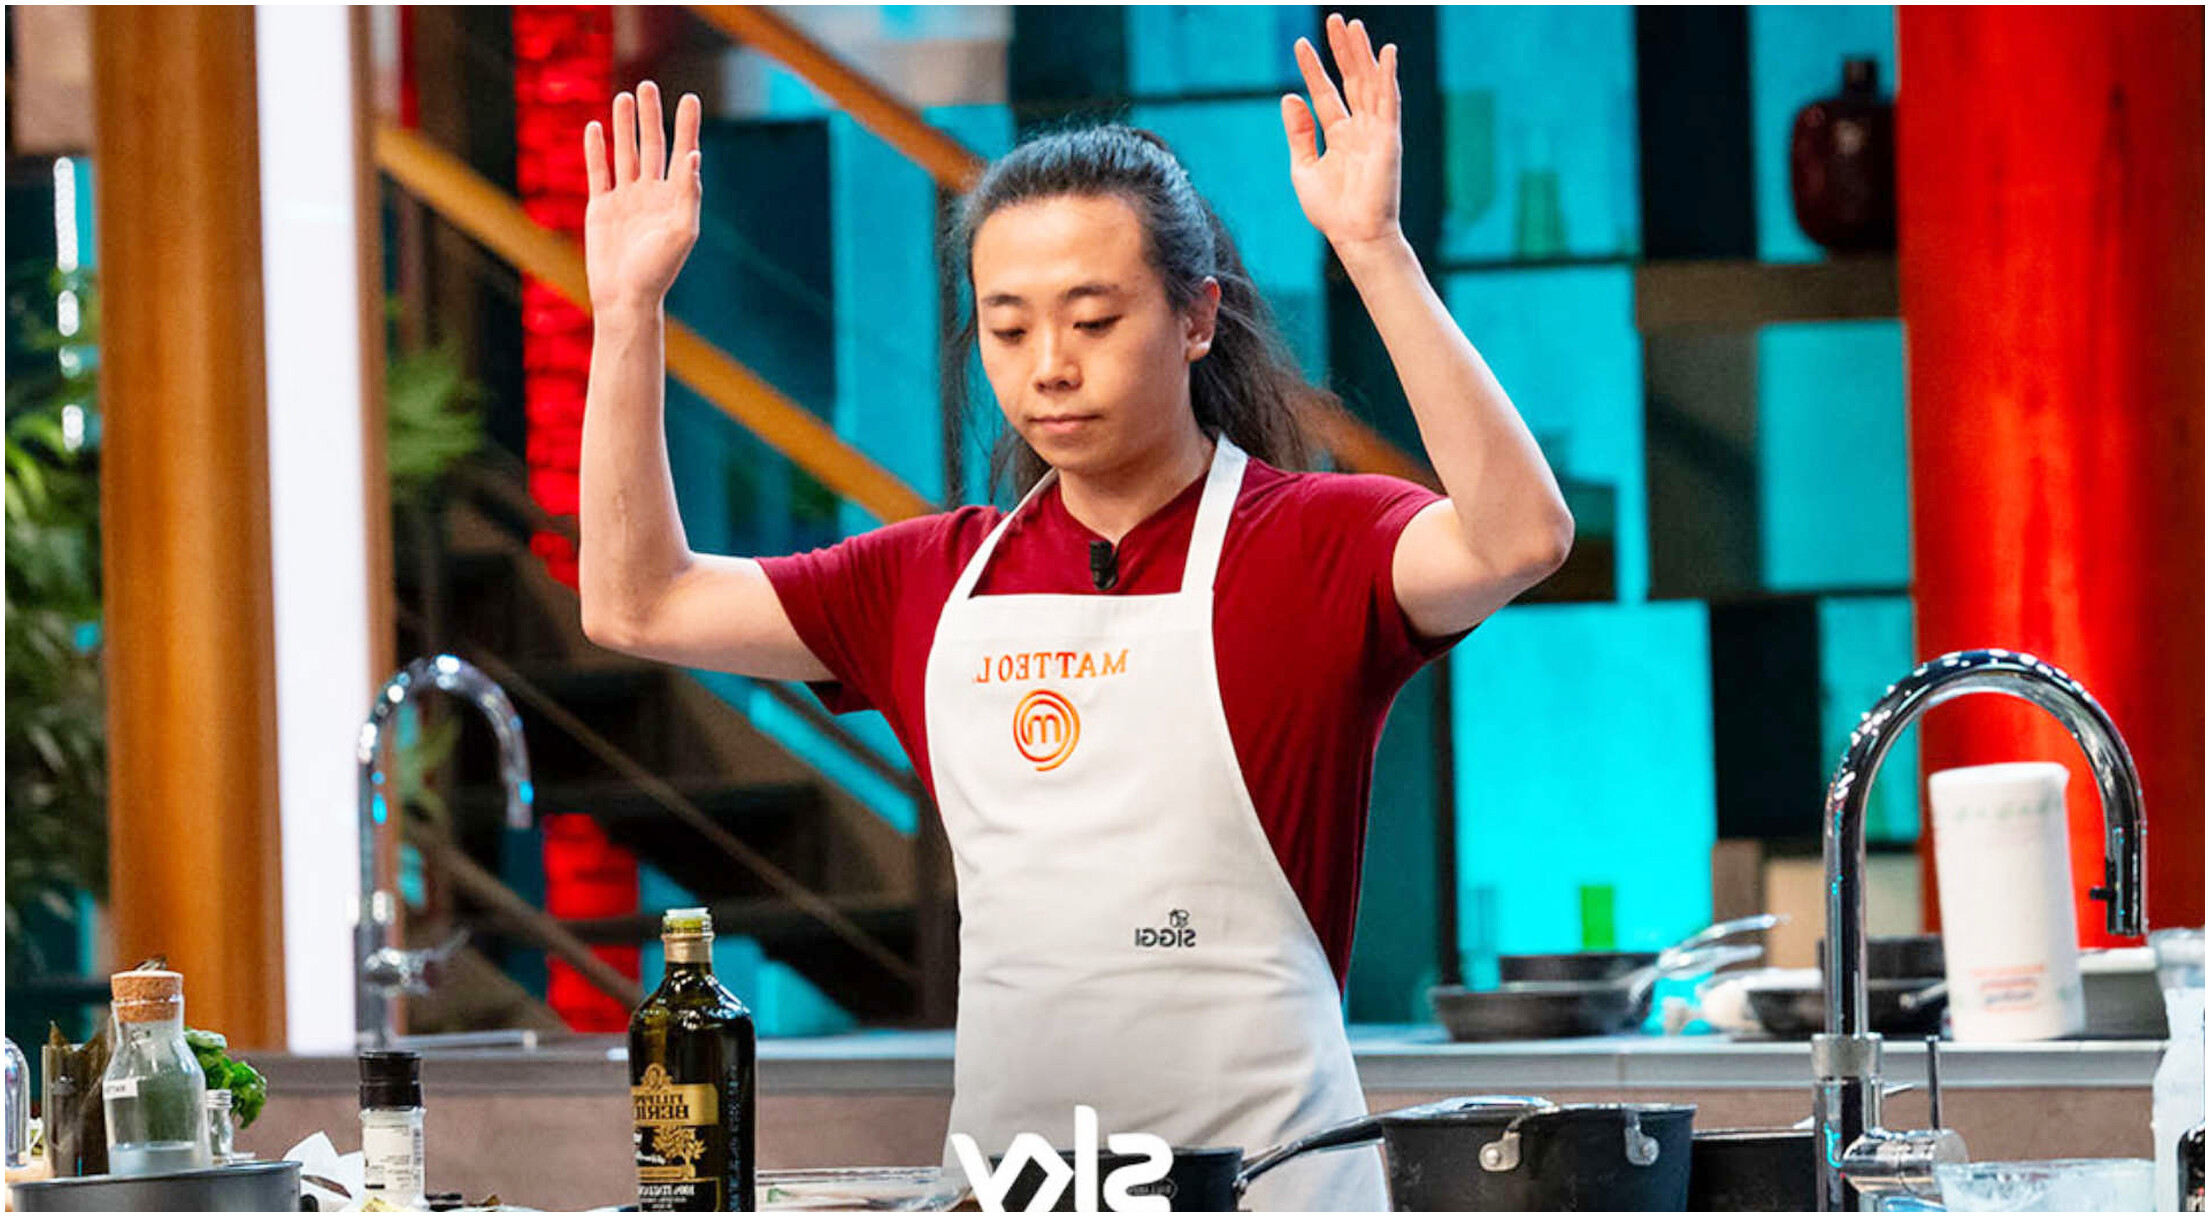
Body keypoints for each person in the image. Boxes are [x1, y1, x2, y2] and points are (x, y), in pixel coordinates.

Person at [578, 14, 1572, 1211]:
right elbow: (636, 601)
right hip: (1013, 1190)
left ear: (1196, 318)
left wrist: (1374, 250)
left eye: (1092, 320)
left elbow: (1520, 535)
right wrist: (626, 314)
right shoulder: (927, 580)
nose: (1048, 363)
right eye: (1008, 327)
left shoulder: (1311, 544)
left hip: (1272, 1190)